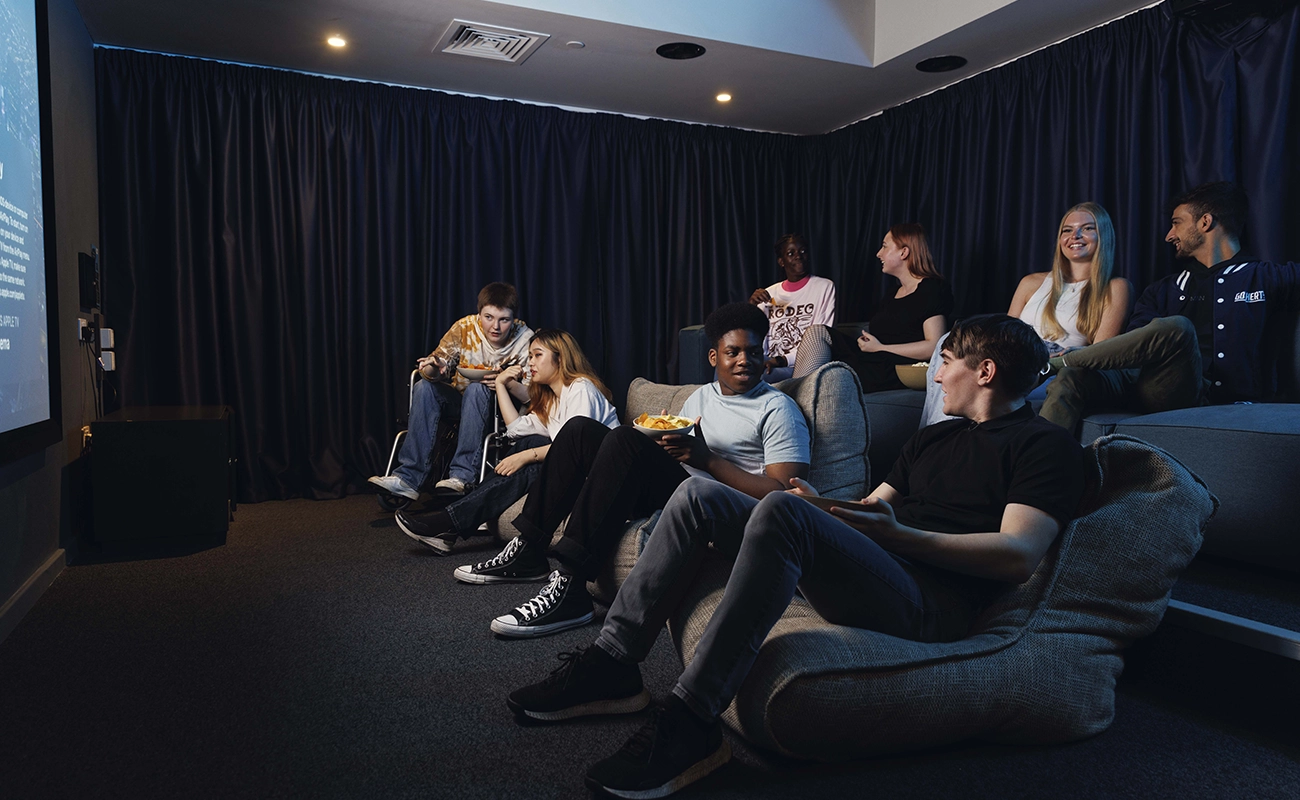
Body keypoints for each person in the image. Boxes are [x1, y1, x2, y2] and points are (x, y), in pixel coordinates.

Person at [505, 314, 1085, 798]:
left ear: (984, 372)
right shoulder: (932, 438)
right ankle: (613, 661)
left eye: (949, 359)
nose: (938, 372)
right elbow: (868, 510)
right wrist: (822, 505)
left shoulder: (1043, 446)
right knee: (699, 493)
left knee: (780, 510)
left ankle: (692, 721)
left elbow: (1016, 554)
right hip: (879, 568)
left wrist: (893, 536)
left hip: (930, 603)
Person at [455, 302, 811, 638]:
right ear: (714, 357)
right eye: (733, 352)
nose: (744, 361)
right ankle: (530, 549)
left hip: (717, 505)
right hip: (677, 487)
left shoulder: (778, 408)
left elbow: (783, 492)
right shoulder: (701, 397)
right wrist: (663, 451)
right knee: (579, 430)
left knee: (623, 438)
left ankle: (570, 586)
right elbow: (676, 452)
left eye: (753, 352)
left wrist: (708, 460)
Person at [1039, 182, 1300, 434]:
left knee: (1177, 327)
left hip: (1206, 398)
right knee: (1072, 377)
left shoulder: (1269, 278)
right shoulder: (1163, 290)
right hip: (1152, 388)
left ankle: (1056, 362)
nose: (1169, 235)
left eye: (1176, 223)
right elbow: (1132, 353)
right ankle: (1040, 466)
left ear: (1205, 222)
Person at [393, 329, 619, 555]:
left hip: (598, 478)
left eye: (537, 355)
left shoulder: (580, 389)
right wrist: (501, 384)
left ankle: (448, 523)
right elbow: (516, 430)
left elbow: (575, 449)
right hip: (575, 472)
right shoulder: (553, 401)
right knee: (528, 442)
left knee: (532, 460)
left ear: (560, 358)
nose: (531, 362)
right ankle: (456, 520)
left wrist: (524, 457)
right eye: (530, 356)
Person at [920, 203, 1133, 425]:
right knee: (950, 342)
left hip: (1054, 369)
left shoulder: (1116, 288)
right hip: (1011, 358)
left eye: (1088, 228)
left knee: (977, 383)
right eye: (1067, 230)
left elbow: (1102, 351)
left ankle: (948, 441)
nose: (1075, 236)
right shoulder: (1031, 282)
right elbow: (1000, 333)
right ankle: (937, 439)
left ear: (1103, 236)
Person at [368, 283, 533, 500]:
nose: (495, 327)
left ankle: (461, 476)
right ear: (479, 313)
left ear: (513, 320)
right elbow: (431, 371)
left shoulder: (523, 337)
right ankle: (408, 478)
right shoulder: (464, 328)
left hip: (500, 410)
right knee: (424, 386)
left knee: (477, 388)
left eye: (504, 320)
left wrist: (506, 383)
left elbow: (532, 395)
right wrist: (434, 366)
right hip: (460, 401)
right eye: (488, 317)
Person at [791, 223, 952, 391]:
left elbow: (934, 345)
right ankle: (795, 394)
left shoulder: (932, 289)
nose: (878, 253)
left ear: (904, 252)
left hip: (895, 367)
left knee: (829, 376)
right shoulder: (892, 294)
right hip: (872, 359)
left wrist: (881, 347)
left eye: (884, 246)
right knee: (817, 332)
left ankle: (793, 398)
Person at [747, 233, 836, 382]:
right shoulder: (768, 294)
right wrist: (751, 308)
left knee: (754, 377)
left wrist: (779, 361)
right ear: (781, 262)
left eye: (803, 251)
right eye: (791, 253)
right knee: (728, 369)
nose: (798, 256)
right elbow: (750, 338)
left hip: (800, 365)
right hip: (766, 361)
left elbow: (822, 338)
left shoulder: (824, 287)